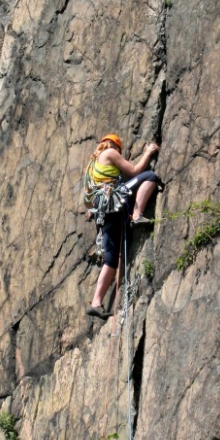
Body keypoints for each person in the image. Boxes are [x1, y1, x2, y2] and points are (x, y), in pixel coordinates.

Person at [84, 134, 162, 319]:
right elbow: (134, 171)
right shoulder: (110, 153)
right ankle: (136, 215)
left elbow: (87, 200)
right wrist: (148, 153)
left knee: (111, 259)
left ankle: (96, 302)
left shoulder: (91, 167)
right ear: (114, 146)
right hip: (114, 201)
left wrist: (93, 209)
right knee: (150, 176)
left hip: (103, 212)